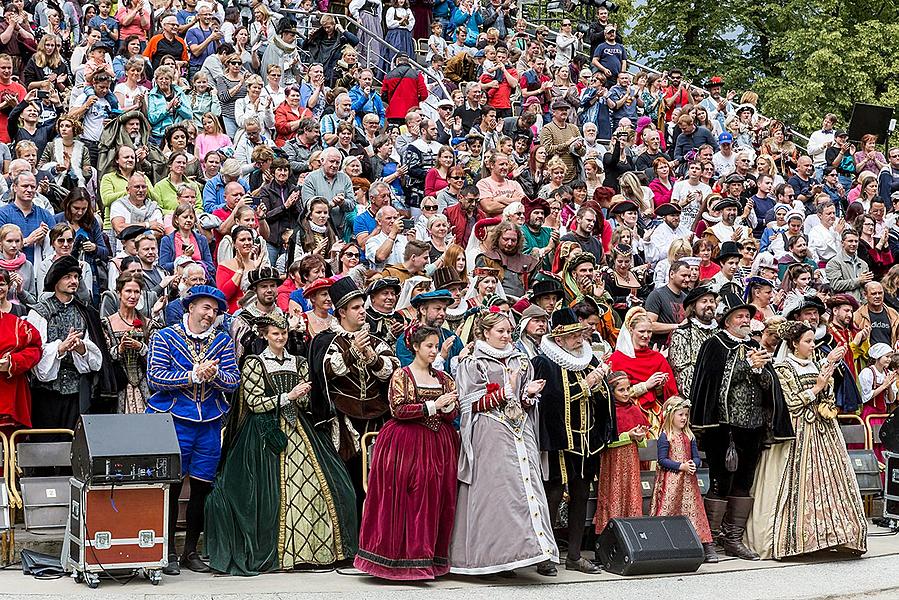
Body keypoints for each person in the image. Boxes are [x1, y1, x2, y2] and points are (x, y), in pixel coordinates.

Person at [206, 312, 357, 575]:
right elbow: (254, 403)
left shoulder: (298, 362)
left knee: (330, 486)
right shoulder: (254, 363)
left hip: (300, 426)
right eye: (275, 333)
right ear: (265, 335)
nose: (281, 337)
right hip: (265, 431)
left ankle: (315, 552)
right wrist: (288, 395)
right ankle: (283, 553)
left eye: (284, 333)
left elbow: (306, 403)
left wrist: (306, 395)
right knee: (269, 493)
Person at [451, 309, 559, 576]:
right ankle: (501, 556)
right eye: (500, 331)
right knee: (499, 494)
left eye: (509, 331)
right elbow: (469, 403)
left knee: (530, 488)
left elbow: (520, 401)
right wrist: (507, 391)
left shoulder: (521, 360)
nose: (506, 336)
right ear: (485, 332)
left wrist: (526, 393)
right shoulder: (473, 363)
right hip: (491, 433)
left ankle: (538, 552)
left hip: (521, 431)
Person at [689, 291, 793, 561]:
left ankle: (733, 538)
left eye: (748, 316)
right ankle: (709, 538)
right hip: (724, 428)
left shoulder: (755, 346)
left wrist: (761, 373)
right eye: (740, 316)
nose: (746, 320)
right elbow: (718, 385)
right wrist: (747, 367)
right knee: (720, 482)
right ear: (727, 321)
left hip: (753, 428)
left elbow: (770, 387)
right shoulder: (715, 344)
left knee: (744, 483)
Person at [147, 285, 239, 575]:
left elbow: (233, 380)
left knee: (201, 488)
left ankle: (190, 552)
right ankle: (168, 552)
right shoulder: (165, 336)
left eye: (215, 311)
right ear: (190, 307)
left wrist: (214, 376)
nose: (210, 315)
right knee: (171, 488)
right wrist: (191, 375)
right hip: (172, 420)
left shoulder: (222, 341)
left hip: (209, 423)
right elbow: (155, 377)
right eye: (206, 308)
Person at [354, 324, 459, 581]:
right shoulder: (402, 375)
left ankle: (431, 560)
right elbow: (399, 410)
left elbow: (453, 414)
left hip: (438, 446)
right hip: (407, 445)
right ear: (415, 347)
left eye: (436, 346)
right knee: (409, 499)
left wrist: (448, 408)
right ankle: (401, 561)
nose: (434, 351)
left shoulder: (444, 378)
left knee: (437, 499)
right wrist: (434, 405)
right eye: (429, 346)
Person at [771, 321, 867, 559]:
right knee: (802, 481)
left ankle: (836, 535)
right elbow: (790, 402)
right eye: (808, 341)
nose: (813, 346)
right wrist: (816, 388)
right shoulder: (782, 368)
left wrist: (828, 373)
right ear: (794, 343)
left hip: (824, 428)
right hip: (801, 429)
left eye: (813, 341)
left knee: (833, 479)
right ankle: (799, 540)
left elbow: (827, 395)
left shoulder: (814, 364)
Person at [308, 277, 400, 516]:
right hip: (343, 419)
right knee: (348, 481)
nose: (362, 311)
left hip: (375, 417)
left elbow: (391, 371)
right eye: (356, 308)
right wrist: (352, 351)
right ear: (341, 312)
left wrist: (371, 355)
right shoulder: (326, 341)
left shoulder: (376, 340)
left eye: (363, 306)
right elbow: (326, 372)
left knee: (376, 480)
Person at [533, 307, 615, 574]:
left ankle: (575, 555)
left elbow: (603, 397)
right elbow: (551, 401)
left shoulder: (588, 359)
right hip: (559, 440)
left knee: (581, 494)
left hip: (587, 441)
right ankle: (544, 554)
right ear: (559, 339)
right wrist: (587, 384)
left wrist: (601, 384)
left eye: (580, 333)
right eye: (573, 336)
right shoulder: (545, 362)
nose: (579, 339)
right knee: (553, 494)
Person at [26, 255, 105, 433]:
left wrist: (81, 348)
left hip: (75, 393)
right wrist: (60, 348)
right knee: (46, 442)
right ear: (56, 281)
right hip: (45, 393)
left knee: (74, 445)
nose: (73, 281)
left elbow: (95, 357)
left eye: (76, 277)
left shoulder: (85, 313)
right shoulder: (40, 311)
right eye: (67, 277)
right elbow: (33, 352)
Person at [651, 395, 717, 562]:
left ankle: (704, 543)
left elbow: (695, 456)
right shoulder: (665, 436)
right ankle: (662, 542)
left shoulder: (690, 436)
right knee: (669, 507)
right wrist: (681, 466)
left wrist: (693, 464)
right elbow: (662, 460)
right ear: (670, 415)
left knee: (694, 511)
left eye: (686, 415)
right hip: (671, 482)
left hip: (688, 482)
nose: (684, 418)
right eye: (680, 414)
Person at [608, 307, 679, 432]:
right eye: (641, 331)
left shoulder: (658, 358)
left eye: (649, 332)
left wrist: (659, 386)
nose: (646, 336)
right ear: (631, 330)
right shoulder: (617, 359)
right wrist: (646, 385)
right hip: (627, 416)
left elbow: (668, 395)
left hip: (656, 415)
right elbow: (613, 395)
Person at [100, 271, 151, 414]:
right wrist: (120, 349)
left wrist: (140, 347)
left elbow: (156, 358)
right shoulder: (106, 324)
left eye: (137, 292)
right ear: (119, 293)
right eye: (128, 291)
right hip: (118, 385)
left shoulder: (149, 324)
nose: (133, 296)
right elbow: (103, 359)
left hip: (144, 385)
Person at [825, 229, 872, 303]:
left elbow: (866, 286)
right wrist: (859, 280)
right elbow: (835, 285)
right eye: (850, 241)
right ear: (842, 243)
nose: (853, 244)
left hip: (863, 304)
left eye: (856, 241)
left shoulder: (863, 264)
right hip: (844, 304)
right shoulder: (834, 263)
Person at [853, 282, 899, 348]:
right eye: (873, 294)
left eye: (880, 293)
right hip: (868, 356)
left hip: (890, 355)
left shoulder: (893, 314)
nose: (877, 296)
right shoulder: (857, 316)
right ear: (865, 295)